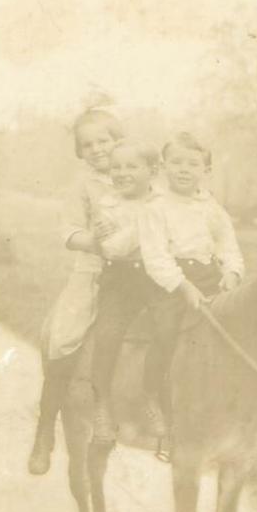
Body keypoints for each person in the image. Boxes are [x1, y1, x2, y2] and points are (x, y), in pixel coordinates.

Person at [28, 108, 124, 475]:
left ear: (118, 141)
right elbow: (68, 232)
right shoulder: (81, 186)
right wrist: (95, 241)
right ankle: (44, 429)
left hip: (138, 272)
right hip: (93, 273)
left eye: (104, 140)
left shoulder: (136, 174)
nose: (98, 149)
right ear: (79, 152)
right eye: (88, 144)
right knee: (63, 339)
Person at [137, 131, 245, 426]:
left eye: (193, 164)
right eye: (177, 162)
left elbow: (228, 247)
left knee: (239, 322)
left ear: (206, 171)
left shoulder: (212, 208)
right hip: (169, 281)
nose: (184, 169)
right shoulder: (155, 207)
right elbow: (156, 258)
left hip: (209, 275)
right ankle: (152, 396)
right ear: (163, 167)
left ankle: (230, 394)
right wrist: (184, 287)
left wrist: (232, 274)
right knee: (167, 331)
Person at [88, 138, 165, 443]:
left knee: (168, 330)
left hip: (158, 276)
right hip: (120, 279)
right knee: (107, 334)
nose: (121, 173)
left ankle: (152, 397)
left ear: (153, 170)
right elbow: (112, 249)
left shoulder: (163, 198)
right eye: (116, 167)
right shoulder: (108, 204)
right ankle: (101, 404)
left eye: (131, 166)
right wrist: (151, 225)